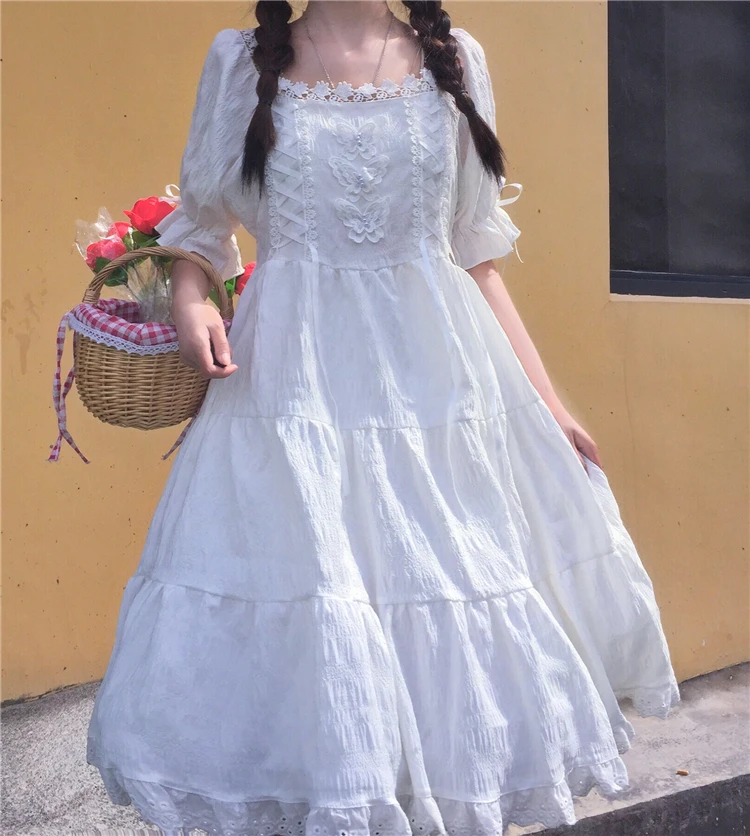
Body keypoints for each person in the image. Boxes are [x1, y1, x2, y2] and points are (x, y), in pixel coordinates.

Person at [86, 2, 681, 834]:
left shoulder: (455, 62)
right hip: (292, 390)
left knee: (449, 595)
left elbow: (475, 253)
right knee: (317, 607)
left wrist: (549, 404)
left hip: (439, 391)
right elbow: (203, 227)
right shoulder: (240, 62)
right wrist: (191, 298)